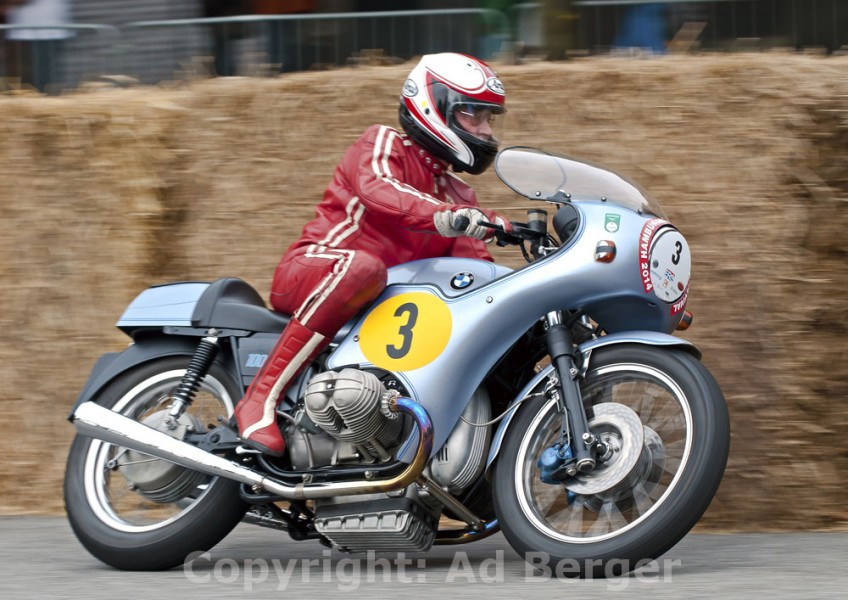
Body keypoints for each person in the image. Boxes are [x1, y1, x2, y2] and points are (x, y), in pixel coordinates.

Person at [234, 52, 513, 456]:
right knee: (364, 269)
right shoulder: (384, 143)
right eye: (474, 115)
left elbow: (477, 275)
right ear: (435, 107)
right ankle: (259, 400)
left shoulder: (457, 195)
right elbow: (378, 189)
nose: (485, 129)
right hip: (316, 270)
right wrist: (449, 216)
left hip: (377, 311)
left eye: (490, 119)